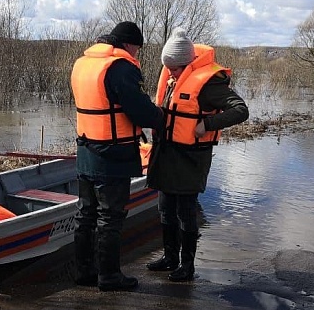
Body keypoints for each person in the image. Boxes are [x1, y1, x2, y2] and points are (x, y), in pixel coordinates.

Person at [146, 27, 249, 282]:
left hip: (192, 157)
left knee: (185, 211)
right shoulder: (172, 78)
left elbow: (240, 110)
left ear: (188, 63)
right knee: (165, 208)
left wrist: (207, 125)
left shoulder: (209, 84)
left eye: (175, 69)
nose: (170, 74)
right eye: (167, 68)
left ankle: (187, 265)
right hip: (168, 153)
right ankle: (170, 257)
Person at [70, 21, 164, 291]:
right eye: (137, 48)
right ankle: (109, 276)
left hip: (85, 149)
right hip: (113, 154)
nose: (136, 54)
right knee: (110, 217)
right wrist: (160, 117)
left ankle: (84, 271)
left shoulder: (83, 64)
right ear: (128, 44)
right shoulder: (120, 67)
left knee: (85, 214)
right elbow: (140, 110)